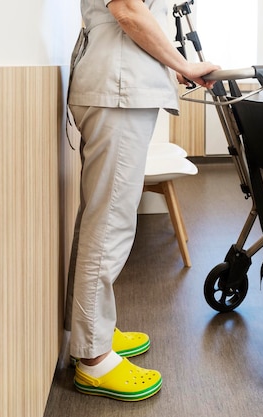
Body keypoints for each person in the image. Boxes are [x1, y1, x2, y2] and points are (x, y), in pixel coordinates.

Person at [65, 0, 219, 401]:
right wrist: (183, 65)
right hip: (117, 88)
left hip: (118, 85)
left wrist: (170, 65)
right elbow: (128, 9)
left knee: (100, 219)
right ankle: (94, 360)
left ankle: (93, 333)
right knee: (110, 224)